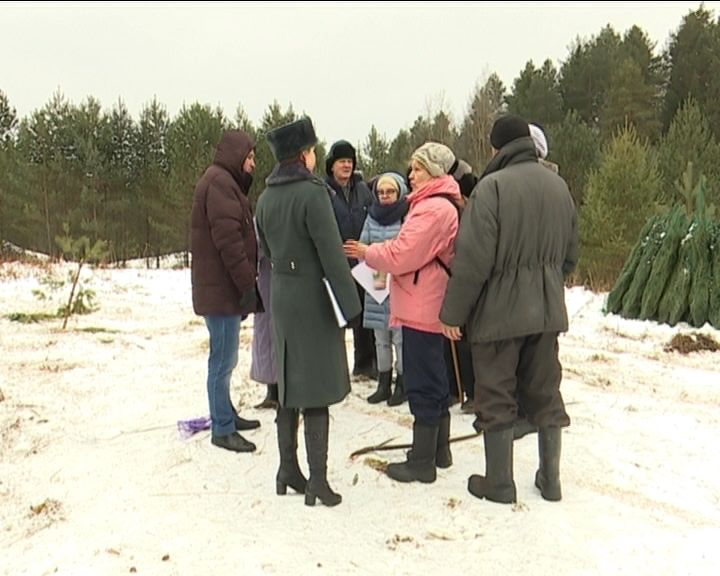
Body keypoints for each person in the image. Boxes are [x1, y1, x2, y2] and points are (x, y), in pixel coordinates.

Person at [439, 114, 578, 504]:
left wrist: (452, 314)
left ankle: (500, 483)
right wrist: (546, 284)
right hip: (547, 312)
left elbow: (472, 262)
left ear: (497, 149)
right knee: (546, 392)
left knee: (496, 395)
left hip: (499, 316)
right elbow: (570, 255)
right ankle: (550, 481)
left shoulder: (491, 189)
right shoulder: (558, 185)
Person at [256, 117, 361, 507]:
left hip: (281, 295)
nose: (316, 156)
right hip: (312, 298)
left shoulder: (265, 198)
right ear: (303, 155)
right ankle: (317, 481)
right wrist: (351, 308)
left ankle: (288, 470)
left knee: (287, 384)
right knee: (316, 387)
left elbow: (265, 248)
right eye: (313, 150)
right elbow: (332, 254)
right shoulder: (313, 194)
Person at [344, 142, 461, 484]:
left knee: (423, 382)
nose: (411, 175)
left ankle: (421, 461)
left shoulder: (431, 210)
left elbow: (401, 254)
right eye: (411, 168)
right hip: (427, 301)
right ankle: (439, 451)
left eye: (418, 169)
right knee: (435, 379)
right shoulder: (438, 205)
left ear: (436, 172)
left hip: (420, 304)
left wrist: (369, 252)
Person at [190, 129, 261, 453]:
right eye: (249, 157)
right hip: (220, 292)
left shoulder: (224, 182)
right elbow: (230, 242)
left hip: (221, 290)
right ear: (235, 156)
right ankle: (222, 427)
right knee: (223, 359)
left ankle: (226, 413)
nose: (253, 163)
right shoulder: (219, 183)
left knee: (225, 358)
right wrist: (248, 284)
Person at [325, 140, 376, 379]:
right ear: (331, 165)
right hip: (338, 260)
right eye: (341, 161)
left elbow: (374, 217)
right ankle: (335, 369)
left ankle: (366, 363)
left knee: (368, 312)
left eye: (349, 161)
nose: (346, 165)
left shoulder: (363, 189)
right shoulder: (324, 191)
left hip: (365, 258)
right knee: (340, 314)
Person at [358, 172, 409, 406]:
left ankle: (402, 382)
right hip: (377, 284)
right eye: (381, 192)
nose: (385, 196)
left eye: (390, 192)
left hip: (400, 285)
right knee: (381, 338)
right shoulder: (371, 217)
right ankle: (383, 381)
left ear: (399, 192)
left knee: (400, 339)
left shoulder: (407, 216)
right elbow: (362, 247)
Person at [249, 228, 278, 410]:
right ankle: (271, 390)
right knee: (265, 336)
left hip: (287, 279)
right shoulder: (261, 215)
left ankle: (285, 389)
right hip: (266, 282)